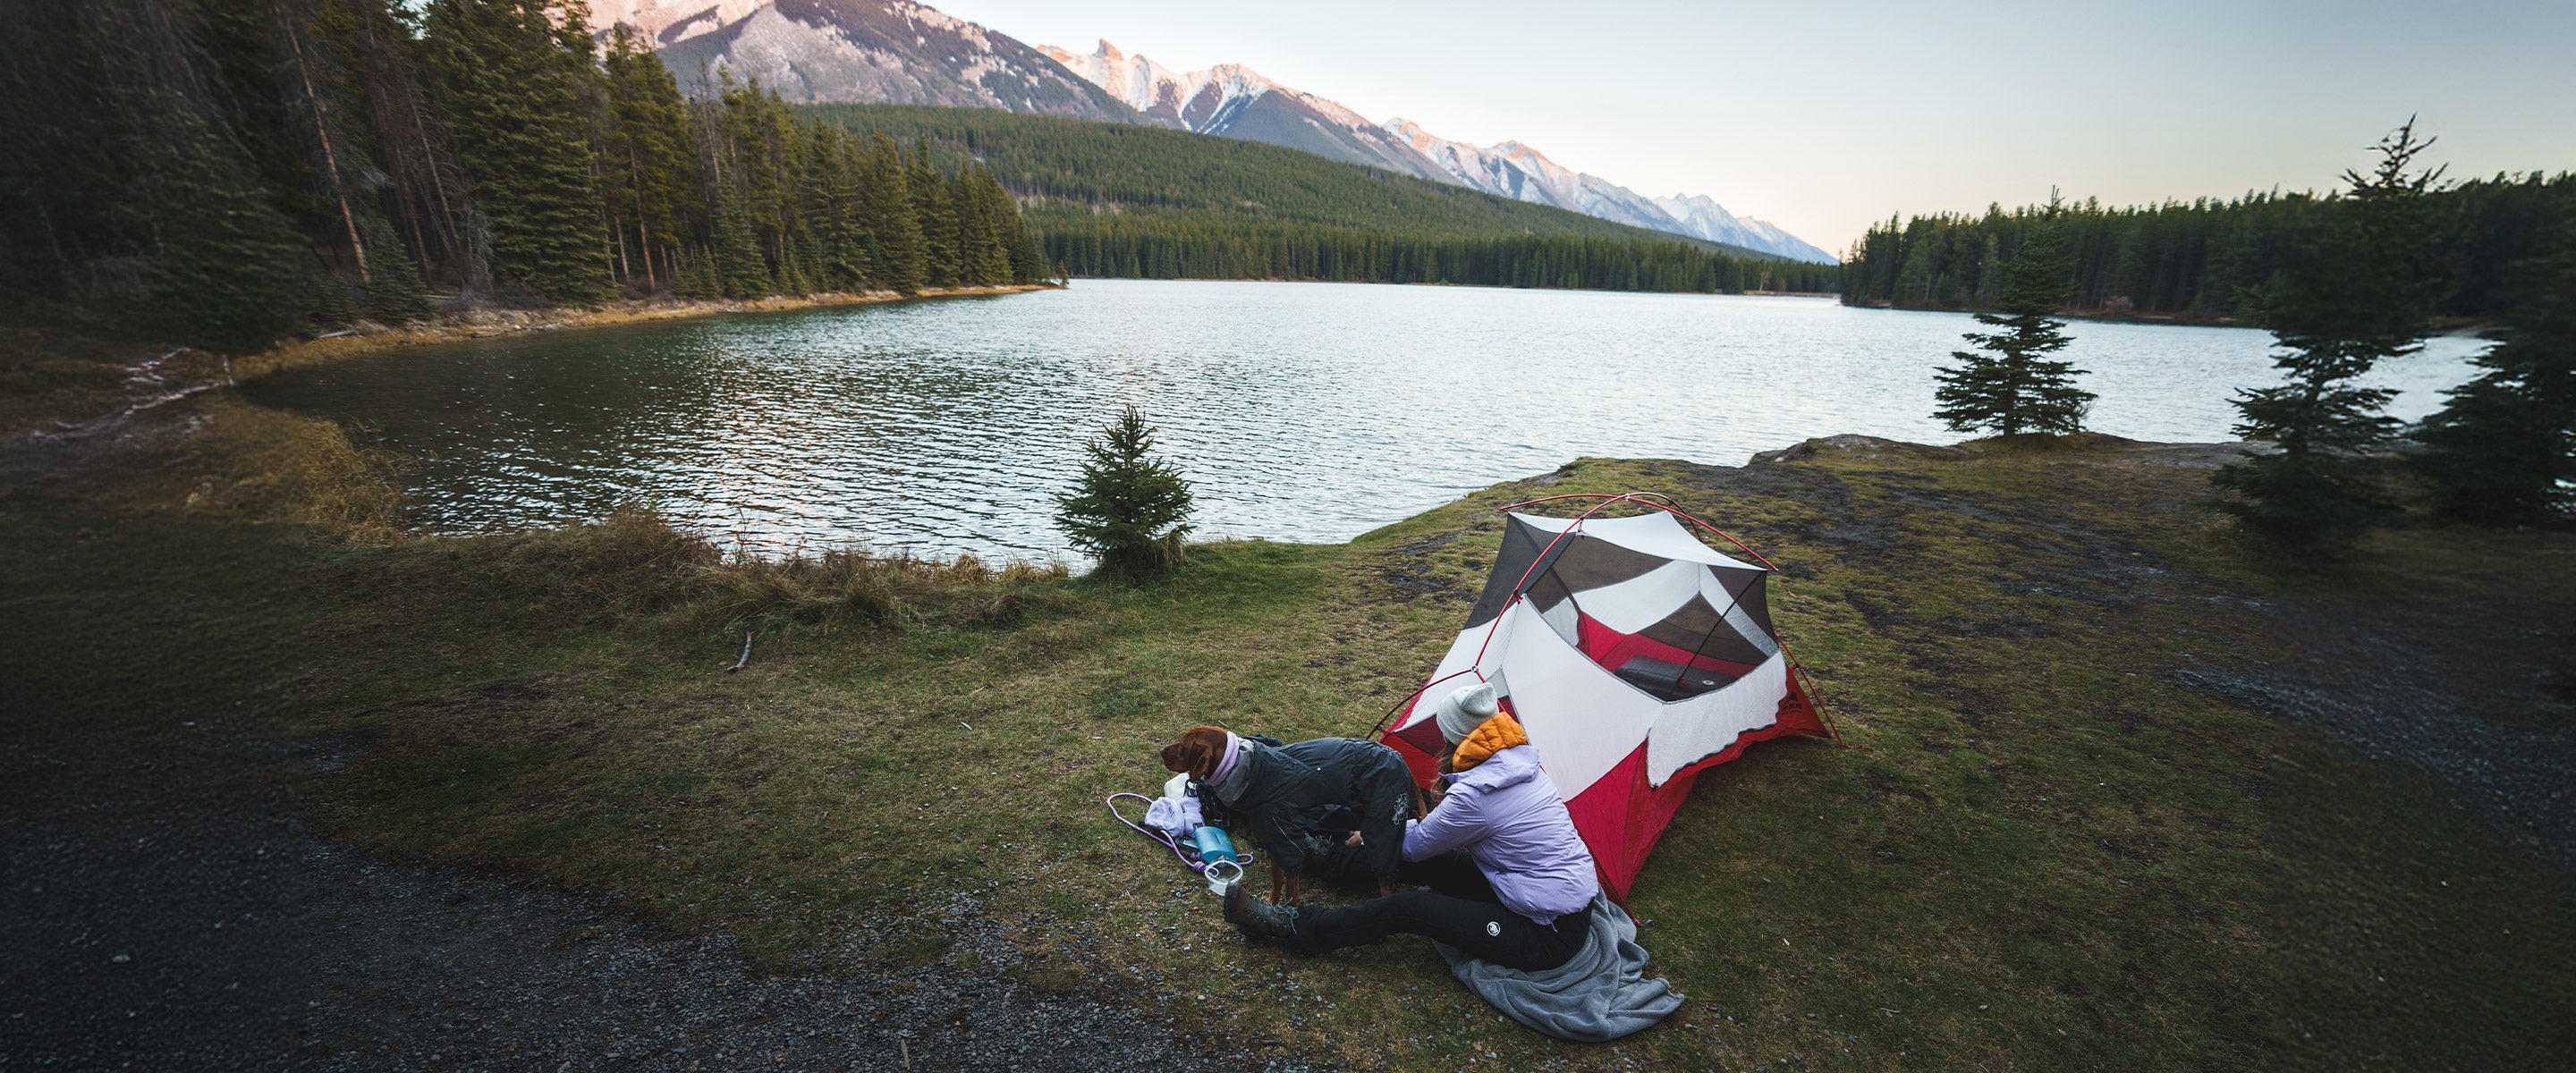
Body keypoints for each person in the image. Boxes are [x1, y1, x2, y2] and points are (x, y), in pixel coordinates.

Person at [1222, 681, 1600, 972]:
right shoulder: (1523, 763)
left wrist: (1372, 832)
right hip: (1523, 886)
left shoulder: (1476, 795)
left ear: (1453, 737)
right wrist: (1377, 835)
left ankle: (1292, 926)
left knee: (1410, 906)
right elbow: (1424, 843)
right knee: (1431, 863)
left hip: (1545, 932)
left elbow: (1415, 844)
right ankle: (1320, 858)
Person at [1159, 726, 1415, 903]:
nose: (1170, 752)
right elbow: (1273, 838)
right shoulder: (1252, 779)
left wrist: (1289, 901)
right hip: (1358, 767)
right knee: (1284, 832)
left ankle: (1389, 899)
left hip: (1380, 771)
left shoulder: (1259, 787)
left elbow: (1286, 844)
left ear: (1203, 761)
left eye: (1183, 750)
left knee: (1384, 842)